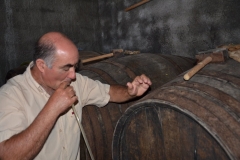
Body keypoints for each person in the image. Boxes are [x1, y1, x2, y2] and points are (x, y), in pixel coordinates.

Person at [0, 32, 152, 159]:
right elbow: (8, 155)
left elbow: (110, 92)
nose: (73, 75)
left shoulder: (76, 83)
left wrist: (130, 92)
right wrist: (52, 109)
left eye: (75, 66)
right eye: (66, 68)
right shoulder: (11, 95)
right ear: (41, 66)